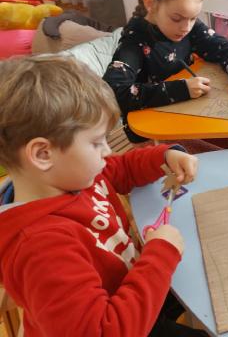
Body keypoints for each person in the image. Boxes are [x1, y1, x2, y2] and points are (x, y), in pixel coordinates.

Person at [0, 55, 207, 337]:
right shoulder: (42, 249)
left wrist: (164, 156)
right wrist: (160, 255)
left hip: (129, 285)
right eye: (96, 143)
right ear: (43, 154)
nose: (108, 151)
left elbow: (120, 169)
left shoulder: (70, 176)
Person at [103, 0, 228, 148]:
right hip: (151, 128)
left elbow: (222, 47)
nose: (186, 27)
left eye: (193, 18)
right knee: (219, 158)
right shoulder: (135, 40)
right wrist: (181, 89)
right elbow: (113, 91)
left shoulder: (187, 25)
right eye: (177, 19)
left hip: (189, 112)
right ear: (150, 3)